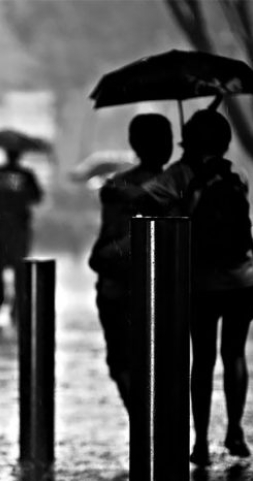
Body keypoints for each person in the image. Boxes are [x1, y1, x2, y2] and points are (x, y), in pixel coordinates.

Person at [114, 110, 253, 465]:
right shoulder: (236, 173)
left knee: (204, 358)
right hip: (243, 278)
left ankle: (202, 442)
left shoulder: (179, 174)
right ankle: (235, 431)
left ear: (189, 140)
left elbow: (138, 199)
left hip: (202, 281)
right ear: (224, 141)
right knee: (235, 354)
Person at [88, 113, 174, 414]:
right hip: (168, 291)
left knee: (122, 361)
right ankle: (156, 421)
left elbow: (104, 247)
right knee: (164, 362)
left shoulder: (117, 186)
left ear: (134, 144)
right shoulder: (180, 184)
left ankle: (141, 417)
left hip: (117, 287)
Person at [0, 149, 43, 316]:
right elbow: (37, 197)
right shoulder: (27, 175)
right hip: (18, 228)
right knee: (18, 266)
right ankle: (13, 302)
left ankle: (3, 299)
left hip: (2, 227)